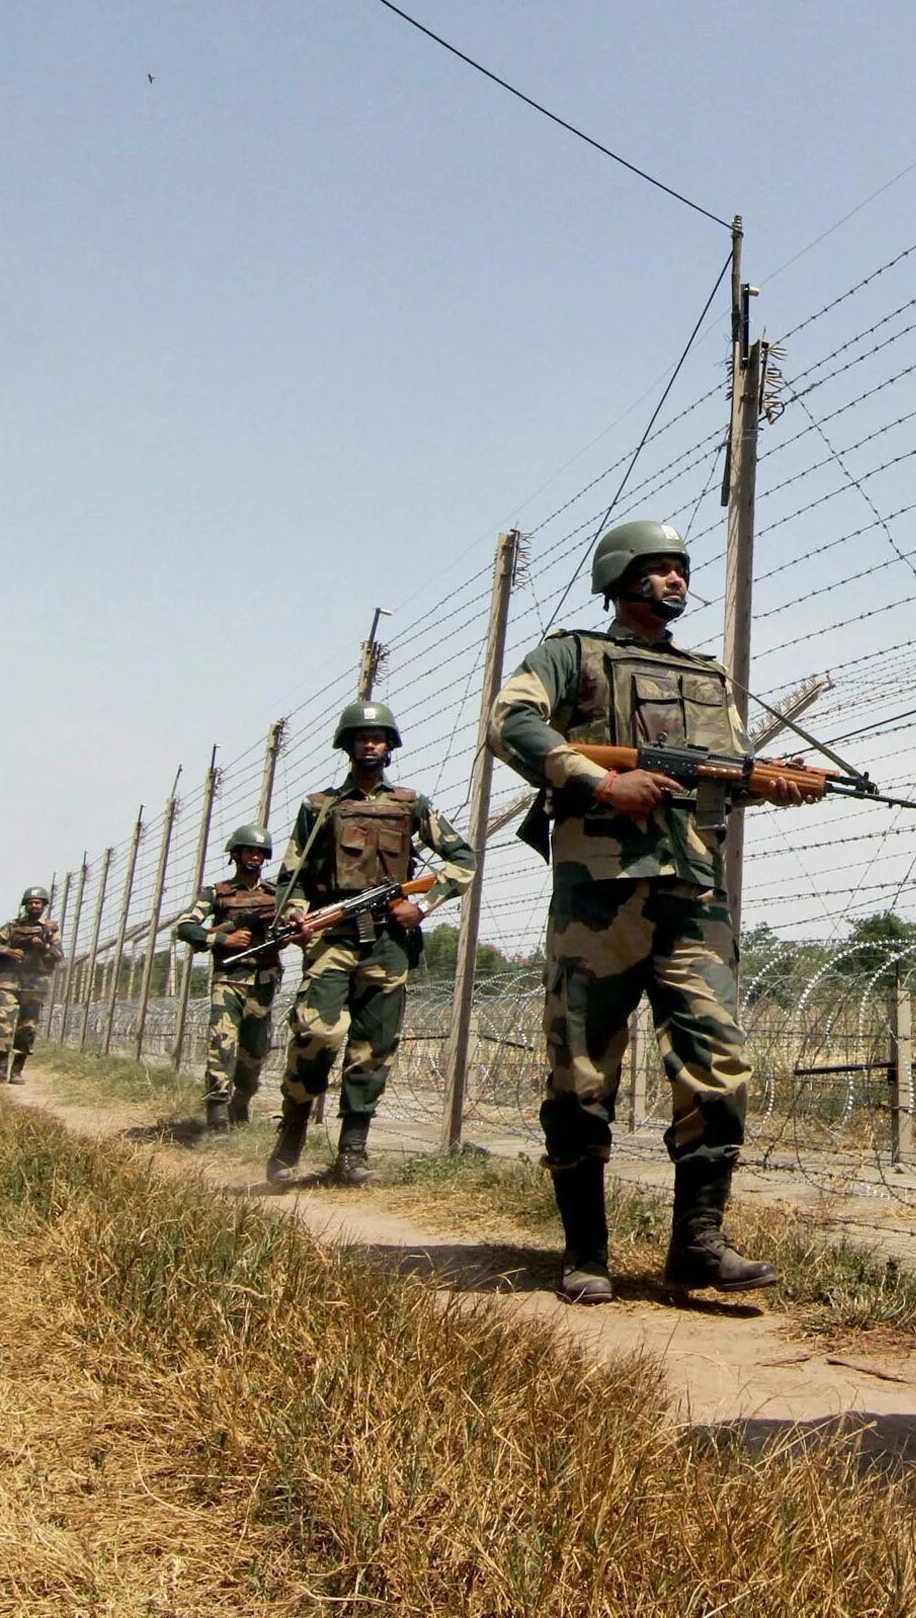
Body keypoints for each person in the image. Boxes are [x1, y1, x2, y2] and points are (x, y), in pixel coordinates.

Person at [487, 520, 817, 1306]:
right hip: (599, 895)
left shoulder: (707, 676)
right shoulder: (573, 654)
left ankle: (697, 1247)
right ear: (621, 578)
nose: (676, 581)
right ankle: (586, 1254)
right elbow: (512, 722)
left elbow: (719, 774)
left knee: (720, 1062)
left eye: (681, 569)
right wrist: (599, 784)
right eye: (660, 568)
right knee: (582, 1071)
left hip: (694, 896)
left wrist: (767, 779)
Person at [267, 701, 475, 1185]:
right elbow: (289, 878)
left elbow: (462, 859)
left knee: (373, 1047)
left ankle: (352, 1153)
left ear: (390, 745)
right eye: (361, 737)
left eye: (379, 736)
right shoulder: (320, 808)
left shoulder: (411, 805)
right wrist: (299, 915)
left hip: (389, 940)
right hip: (333, 936)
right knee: (317, 1033)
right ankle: (293, 1128)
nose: (370, 743)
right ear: (347, 745)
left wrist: (423, 905)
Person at [174, 825, 283, 1132]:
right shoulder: (216, 893)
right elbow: (185, 926)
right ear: (236, 854)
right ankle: (218, 1116)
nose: (255, 857)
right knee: (221, 1046)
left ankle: (241, 1103)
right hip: (229, 981)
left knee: (254, 1055)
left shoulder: (275, 895)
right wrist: (224, 940)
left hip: (263, 983)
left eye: (260, 852)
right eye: (249, 851)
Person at [0, 886, 63, 1082]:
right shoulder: (12, 926)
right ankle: (0, 1070)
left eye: (38, 903)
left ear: (44, 905)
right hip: (10, 981)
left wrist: (44, 947)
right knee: (4, 1023)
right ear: (25, 905)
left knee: (27, 1027)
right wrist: (6, 951)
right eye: (31, 903)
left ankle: (17, 1071)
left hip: (35, 983)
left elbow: (59, 955)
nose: (35, 905)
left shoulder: (51, 929)